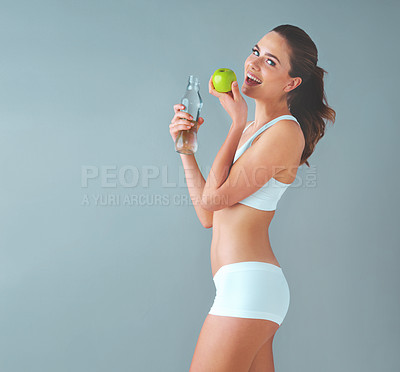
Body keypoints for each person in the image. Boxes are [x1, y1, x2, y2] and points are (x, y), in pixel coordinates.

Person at [169, 24, 336, 372]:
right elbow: (208, 215)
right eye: (256, 52)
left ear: (291, 84)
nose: (254, 64)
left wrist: (233, 124)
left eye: (271, 62)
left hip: (248, 288)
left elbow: (214, 199)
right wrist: (187, 148)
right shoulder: (251, 132)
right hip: (244, 287)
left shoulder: (285, 132)